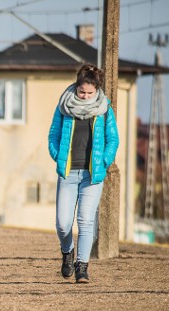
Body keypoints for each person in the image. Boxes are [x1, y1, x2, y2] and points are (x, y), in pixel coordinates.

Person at [48, 64, 119, 283]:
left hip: (92, 175)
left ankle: (82, 267)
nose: (86, 96)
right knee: (62, 223)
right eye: (82, 92)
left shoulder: (105, 109)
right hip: (68, 173)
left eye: (90, 93)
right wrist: (58, 156)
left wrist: (104, 162)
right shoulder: (64, 105)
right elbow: (53, 135)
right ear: (76, 87)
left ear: (96, 90)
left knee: (86, 220)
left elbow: (112, 139)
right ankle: (67, 252)